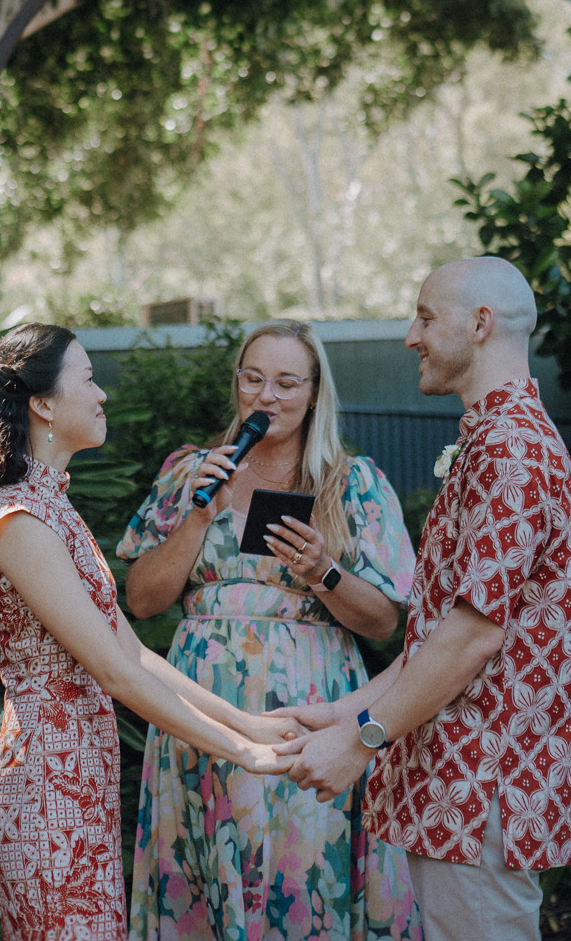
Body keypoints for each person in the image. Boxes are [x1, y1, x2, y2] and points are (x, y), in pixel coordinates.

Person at [274, 258, 571, 941]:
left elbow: (471, 637)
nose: (409, 335)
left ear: (480, 325)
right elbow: (441, 632)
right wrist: (340, 713)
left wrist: (362, 741)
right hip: (466, 778)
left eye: (426, 316)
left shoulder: (511, 450)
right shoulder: (492, 438)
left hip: (486, 784)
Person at [0, 322, 294, 941]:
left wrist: (249, 725)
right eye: (88, 378)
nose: (102, 393)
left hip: (81, 779)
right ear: (44, 403)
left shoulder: (54, 506)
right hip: (47, 785)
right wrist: (243, 754)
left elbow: (132, 650)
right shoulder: (21, 519)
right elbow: (112, 672)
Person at [119, 320, 422, 941]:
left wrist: (322, 572)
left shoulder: (351, 482)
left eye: (287, 383)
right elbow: (142, 601)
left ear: (314, 394)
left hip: (309, 710)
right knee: (201, 872)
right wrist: (198, 519)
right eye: (254, 379)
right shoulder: (188, 472)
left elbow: (387, 624)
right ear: (237, 384)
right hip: (201, 709)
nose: (267, 396)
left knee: (303, 877)